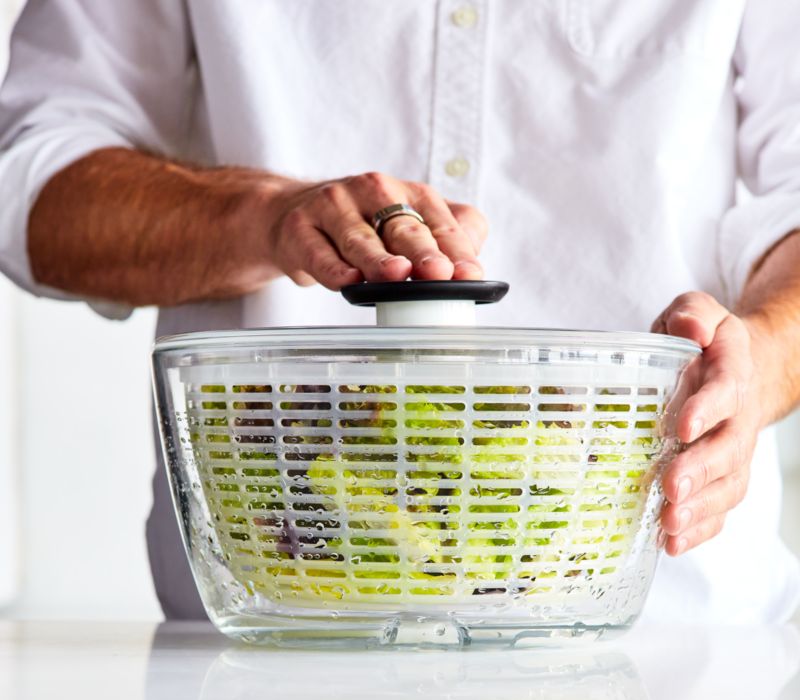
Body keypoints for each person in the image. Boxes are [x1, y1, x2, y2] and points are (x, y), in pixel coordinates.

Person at [1, 0, 799, 622]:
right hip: (269, 644)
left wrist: (757, 365)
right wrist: (263, 217)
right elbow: (33, 181)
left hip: (666, 645)